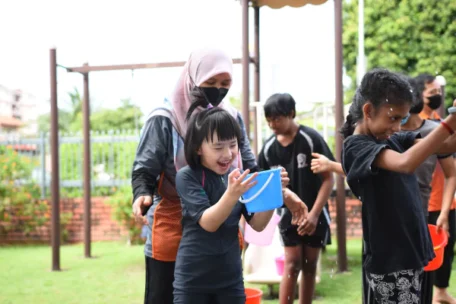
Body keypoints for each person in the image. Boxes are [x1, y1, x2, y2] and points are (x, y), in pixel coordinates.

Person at [131, 47, 308, 304]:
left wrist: (282, 192)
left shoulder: (230, 117)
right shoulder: (164, 117)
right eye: (210, 82)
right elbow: (144, 168)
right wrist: (142, 194)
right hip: (172, 221)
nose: (218, 89)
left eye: (225, 83)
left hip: (222, 238)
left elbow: (251, 169)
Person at [312, 75, 456, 304]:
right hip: (391, 262)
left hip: (411, 253)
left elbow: (445, 145)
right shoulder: (356, 147)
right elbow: (404, 163)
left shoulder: (393, 138)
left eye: (402, 119)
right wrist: (450, 121)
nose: (397, 127)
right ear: (368, 111)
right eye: (393, 118)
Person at [173, 107, 306, 303]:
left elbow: (258, 225)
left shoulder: (237, 176)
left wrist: (273, 193)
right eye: (218, 147)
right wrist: (232, 193)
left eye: (233, 145)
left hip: (231, 278)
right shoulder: (187, 176)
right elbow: (209, 223)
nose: (228, 154)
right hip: (193, 280)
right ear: (198, 148)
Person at [257, 93, 334, 304]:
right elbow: (261, 183)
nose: (273, 124)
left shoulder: (311, 139)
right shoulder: (268, 147)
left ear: (291, 114)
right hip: (287, 217)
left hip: (315, 214)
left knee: (309, 265)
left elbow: (328, 180)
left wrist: (314, 215)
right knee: (291, 264)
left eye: (277, 119)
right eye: (269, 120)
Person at [415, 73, 456, 304]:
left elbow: (451, 169)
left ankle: (440, 292)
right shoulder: (416, 126)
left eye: (438, 92)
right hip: (427, 202)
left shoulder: (437, 123)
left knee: (445, 252)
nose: (436, 96)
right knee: (427, 258)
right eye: (431, 93)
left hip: (446, 200)